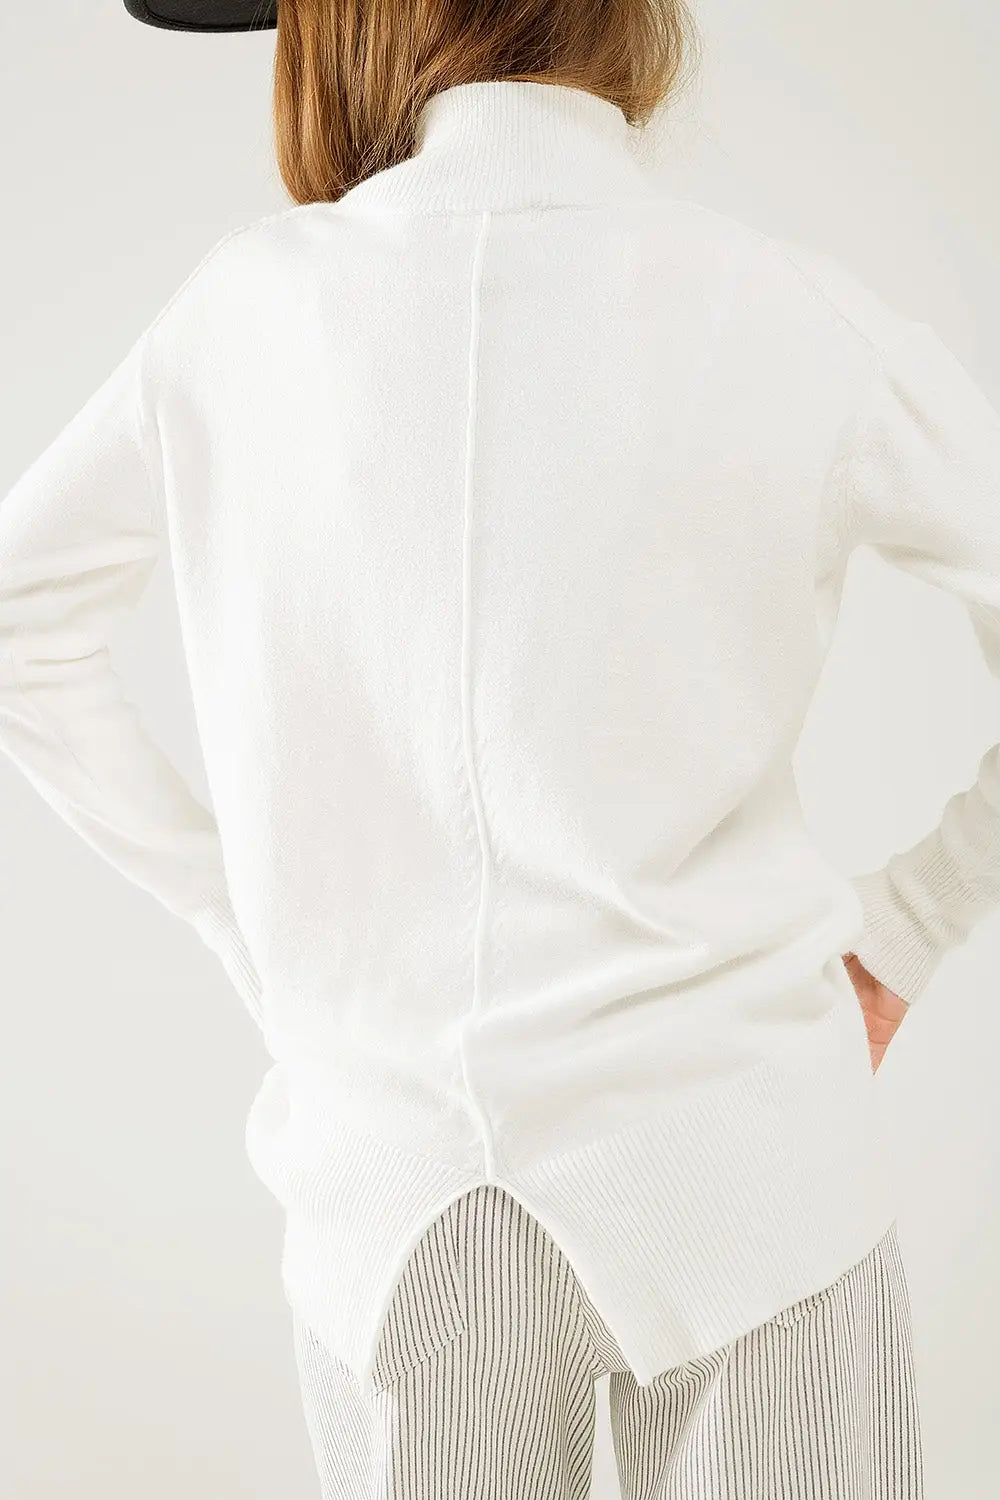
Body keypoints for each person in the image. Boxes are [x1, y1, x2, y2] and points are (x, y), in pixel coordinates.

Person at [9, 0, 1000, 1494]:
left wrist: (247, 925)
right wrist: (911, 923)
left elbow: (18, 619)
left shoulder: (239, 316)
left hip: (395, 1189)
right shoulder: (781, 305)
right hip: (751, 1162)